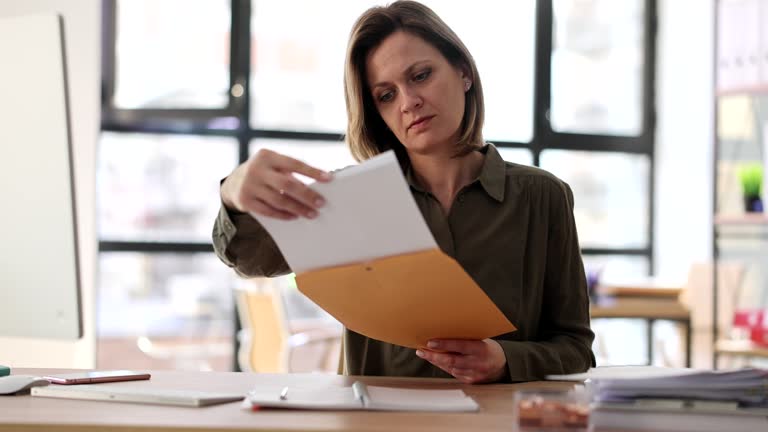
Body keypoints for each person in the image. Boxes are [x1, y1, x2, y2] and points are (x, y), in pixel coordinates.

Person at [213, 0, 595, 383]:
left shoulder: (543, 197)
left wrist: (505, 359)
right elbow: (250, 259)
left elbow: (576, 350)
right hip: (376, 421)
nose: (409, 102)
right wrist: (233, 192)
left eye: (421, 75)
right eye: (386, 95)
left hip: (498, 422)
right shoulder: (353, 198)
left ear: (464, 72)